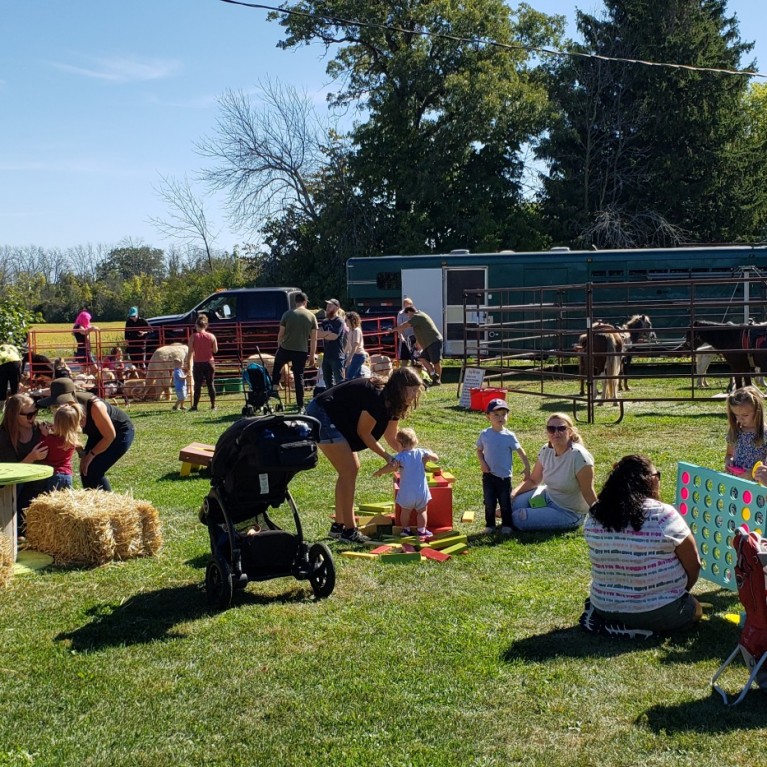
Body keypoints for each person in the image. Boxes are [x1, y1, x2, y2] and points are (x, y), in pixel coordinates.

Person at [582, 454, 702, 635]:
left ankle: (614, 624)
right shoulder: (662, 515)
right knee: (696, 610)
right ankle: (640, 626)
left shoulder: (594, 515)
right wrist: (680, 593)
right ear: (650, 480)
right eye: (658, 475)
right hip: (658, 610)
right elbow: (693, 564)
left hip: (604, 606)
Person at [305, 366, 425, 544]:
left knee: (349, 470)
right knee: (350, 469)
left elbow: (391, 435)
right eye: (412, 390)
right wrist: (387, 457)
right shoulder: (377, 397)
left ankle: (338, 526)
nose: (415, 394)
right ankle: (349, 531)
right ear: (400, 387)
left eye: (417, 390)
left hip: (337, 418)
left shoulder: (396, 402)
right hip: (322, 413)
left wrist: (410, 456)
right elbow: (364, 433)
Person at [37, 377, 134, 491]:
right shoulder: (66, 409)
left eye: (62, 401)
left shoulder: (95, 406)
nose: (60, 406)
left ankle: (107, 504)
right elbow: (69, 431)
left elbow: (109, 436)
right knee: (85, 470)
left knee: (95, 470)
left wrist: (90, 455)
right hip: (97, 434)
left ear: (72, 395)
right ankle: (91, 503)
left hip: (118, 433)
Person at [510, 412, 597, 531]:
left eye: (561, 428)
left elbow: (588, 491)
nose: (556, 433)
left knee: (516, 518)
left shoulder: (579, 457)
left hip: (569, 511)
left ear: (570, 432)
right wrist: (513, 494)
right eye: (551, 429)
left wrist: (600, 517)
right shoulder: (546, 449)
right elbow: (534, 480)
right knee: (511, 505)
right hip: (548, 495)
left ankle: (529, 514)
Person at [476, 398, 530, 535]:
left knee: (505, 502)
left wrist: (527, 466)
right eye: (496, 414)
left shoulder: (509, 436)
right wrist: (482, 463)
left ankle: (507, 524)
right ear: (488, 416)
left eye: (503, 414)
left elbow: (520, 450)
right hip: (488, 475)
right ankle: (490, 525)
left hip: (504, 476)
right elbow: (479, 450)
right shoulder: (485, 434)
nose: (500, 417)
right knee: (489, 501)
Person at [373, 426, 438, 539]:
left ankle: (406, 529)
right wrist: (430, 454)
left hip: (407, 492)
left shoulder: (400, 457)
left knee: (405, 511)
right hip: (421, 491)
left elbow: (391, 467)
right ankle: (422, 530)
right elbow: (435, 458)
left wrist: (380, 472)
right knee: (422, 511)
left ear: (401, 444)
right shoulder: (421, 452)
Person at [0, 394, 50, 530]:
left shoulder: (38, 428)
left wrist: (50, 436)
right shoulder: (4, 436)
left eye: (35, 412)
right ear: (15, 415)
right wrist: (31, 457)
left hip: (36, 482)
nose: (33, 417)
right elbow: (8, 473)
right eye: (29, 415)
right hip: (12, 484)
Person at [271, 292, 318, 413]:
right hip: (301, 351)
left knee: (277, 366)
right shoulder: (312, 317)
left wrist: (279, 347)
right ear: (305, 302)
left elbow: (280, 335)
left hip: (286, 348)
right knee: (299, 377)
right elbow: (314, 339)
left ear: (295, 302)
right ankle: (300, 405)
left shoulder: (287, 314)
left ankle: (274, 388)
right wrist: (312, 355)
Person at [393, 305, 443, 385]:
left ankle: (438, 380)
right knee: (422, 358)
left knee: (436, 362)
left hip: (433, 341)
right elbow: (420, 330)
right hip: (428, 343)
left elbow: (405, 325)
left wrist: (393, 330)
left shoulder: (417, 316)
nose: (408, 317)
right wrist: (417, 343)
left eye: (407, 315)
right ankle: (434, 375)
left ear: (409, 312)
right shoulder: (418, 316)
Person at [724, 386, 767, 476]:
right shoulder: (735, 430)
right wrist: (729, 461)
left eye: (745, 415)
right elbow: (729, 454)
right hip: (736, 482)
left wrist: (752, 474)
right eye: (736, 415)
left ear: (757, 410)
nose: (740, 419)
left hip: (755, 484)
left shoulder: (764, 433)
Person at [40, 402, 82, 490]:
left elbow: (42, 450)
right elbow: (64, 431)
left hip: (54, 475)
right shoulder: (72, 439)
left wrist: (44, 435)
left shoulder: (50, 439)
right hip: (67, 475)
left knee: (52, 501)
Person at [185, 314, 218, 412]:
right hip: (209, 363)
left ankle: (195, 406)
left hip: (198, 363)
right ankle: (213, 405)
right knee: (210, 384)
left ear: (196, 325)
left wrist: (188, 363)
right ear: (206, 325)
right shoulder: (212, 336)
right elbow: (215, 350)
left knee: (197, 385)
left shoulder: (193, 337)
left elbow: (190, 351)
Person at [318, 299, 346, 389]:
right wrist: (327, 333)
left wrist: (324, 334)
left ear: (337, 308)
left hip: (337, 356)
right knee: (327, 381)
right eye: (327, 306)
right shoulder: (325, 321)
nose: (328, 308)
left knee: (340, 381)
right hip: (327, 356)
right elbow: (318, 334)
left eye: (330, 306)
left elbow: (334, 336)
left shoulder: (339, 321)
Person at [72, 305, 99, 372]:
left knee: (84, 369)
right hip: (84, 350)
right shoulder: (78, 327)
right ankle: (94, 381)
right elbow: (84, 332)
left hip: (84, 350)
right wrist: (92, 328)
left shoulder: (78, 326)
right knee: (95, 369)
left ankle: (86, 381)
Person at [343, 312, 366, 380]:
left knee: (349, 377)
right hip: (355, 355)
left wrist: (350, 357)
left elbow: (355, 345)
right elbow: (348, 344)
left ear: (352, 320)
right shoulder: (350, 331)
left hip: (358, 355)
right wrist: (344, 353)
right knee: (357, 377)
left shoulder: (356, 330)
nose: (345, 322)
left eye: (346, 320)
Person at [0, 343, 23, 410]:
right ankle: (16, 406)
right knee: (15, 385)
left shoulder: (1, 348)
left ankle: (1, 408)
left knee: (2, 385)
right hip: (15, 362)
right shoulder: (12, 347)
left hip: (2, 364)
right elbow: (20, 359)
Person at [396, 297, 416, 367]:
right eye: (407, 304)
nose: (408, 305)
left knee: (415, 358)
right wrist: (401, 336)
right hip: (405, 338)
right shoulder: (400, 313)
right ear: (404, 304)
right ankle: (403, 373)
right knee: (404, 358)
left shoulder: (415, 312)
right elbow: (399, 326)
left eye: (410, 304)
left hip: (414, 338)